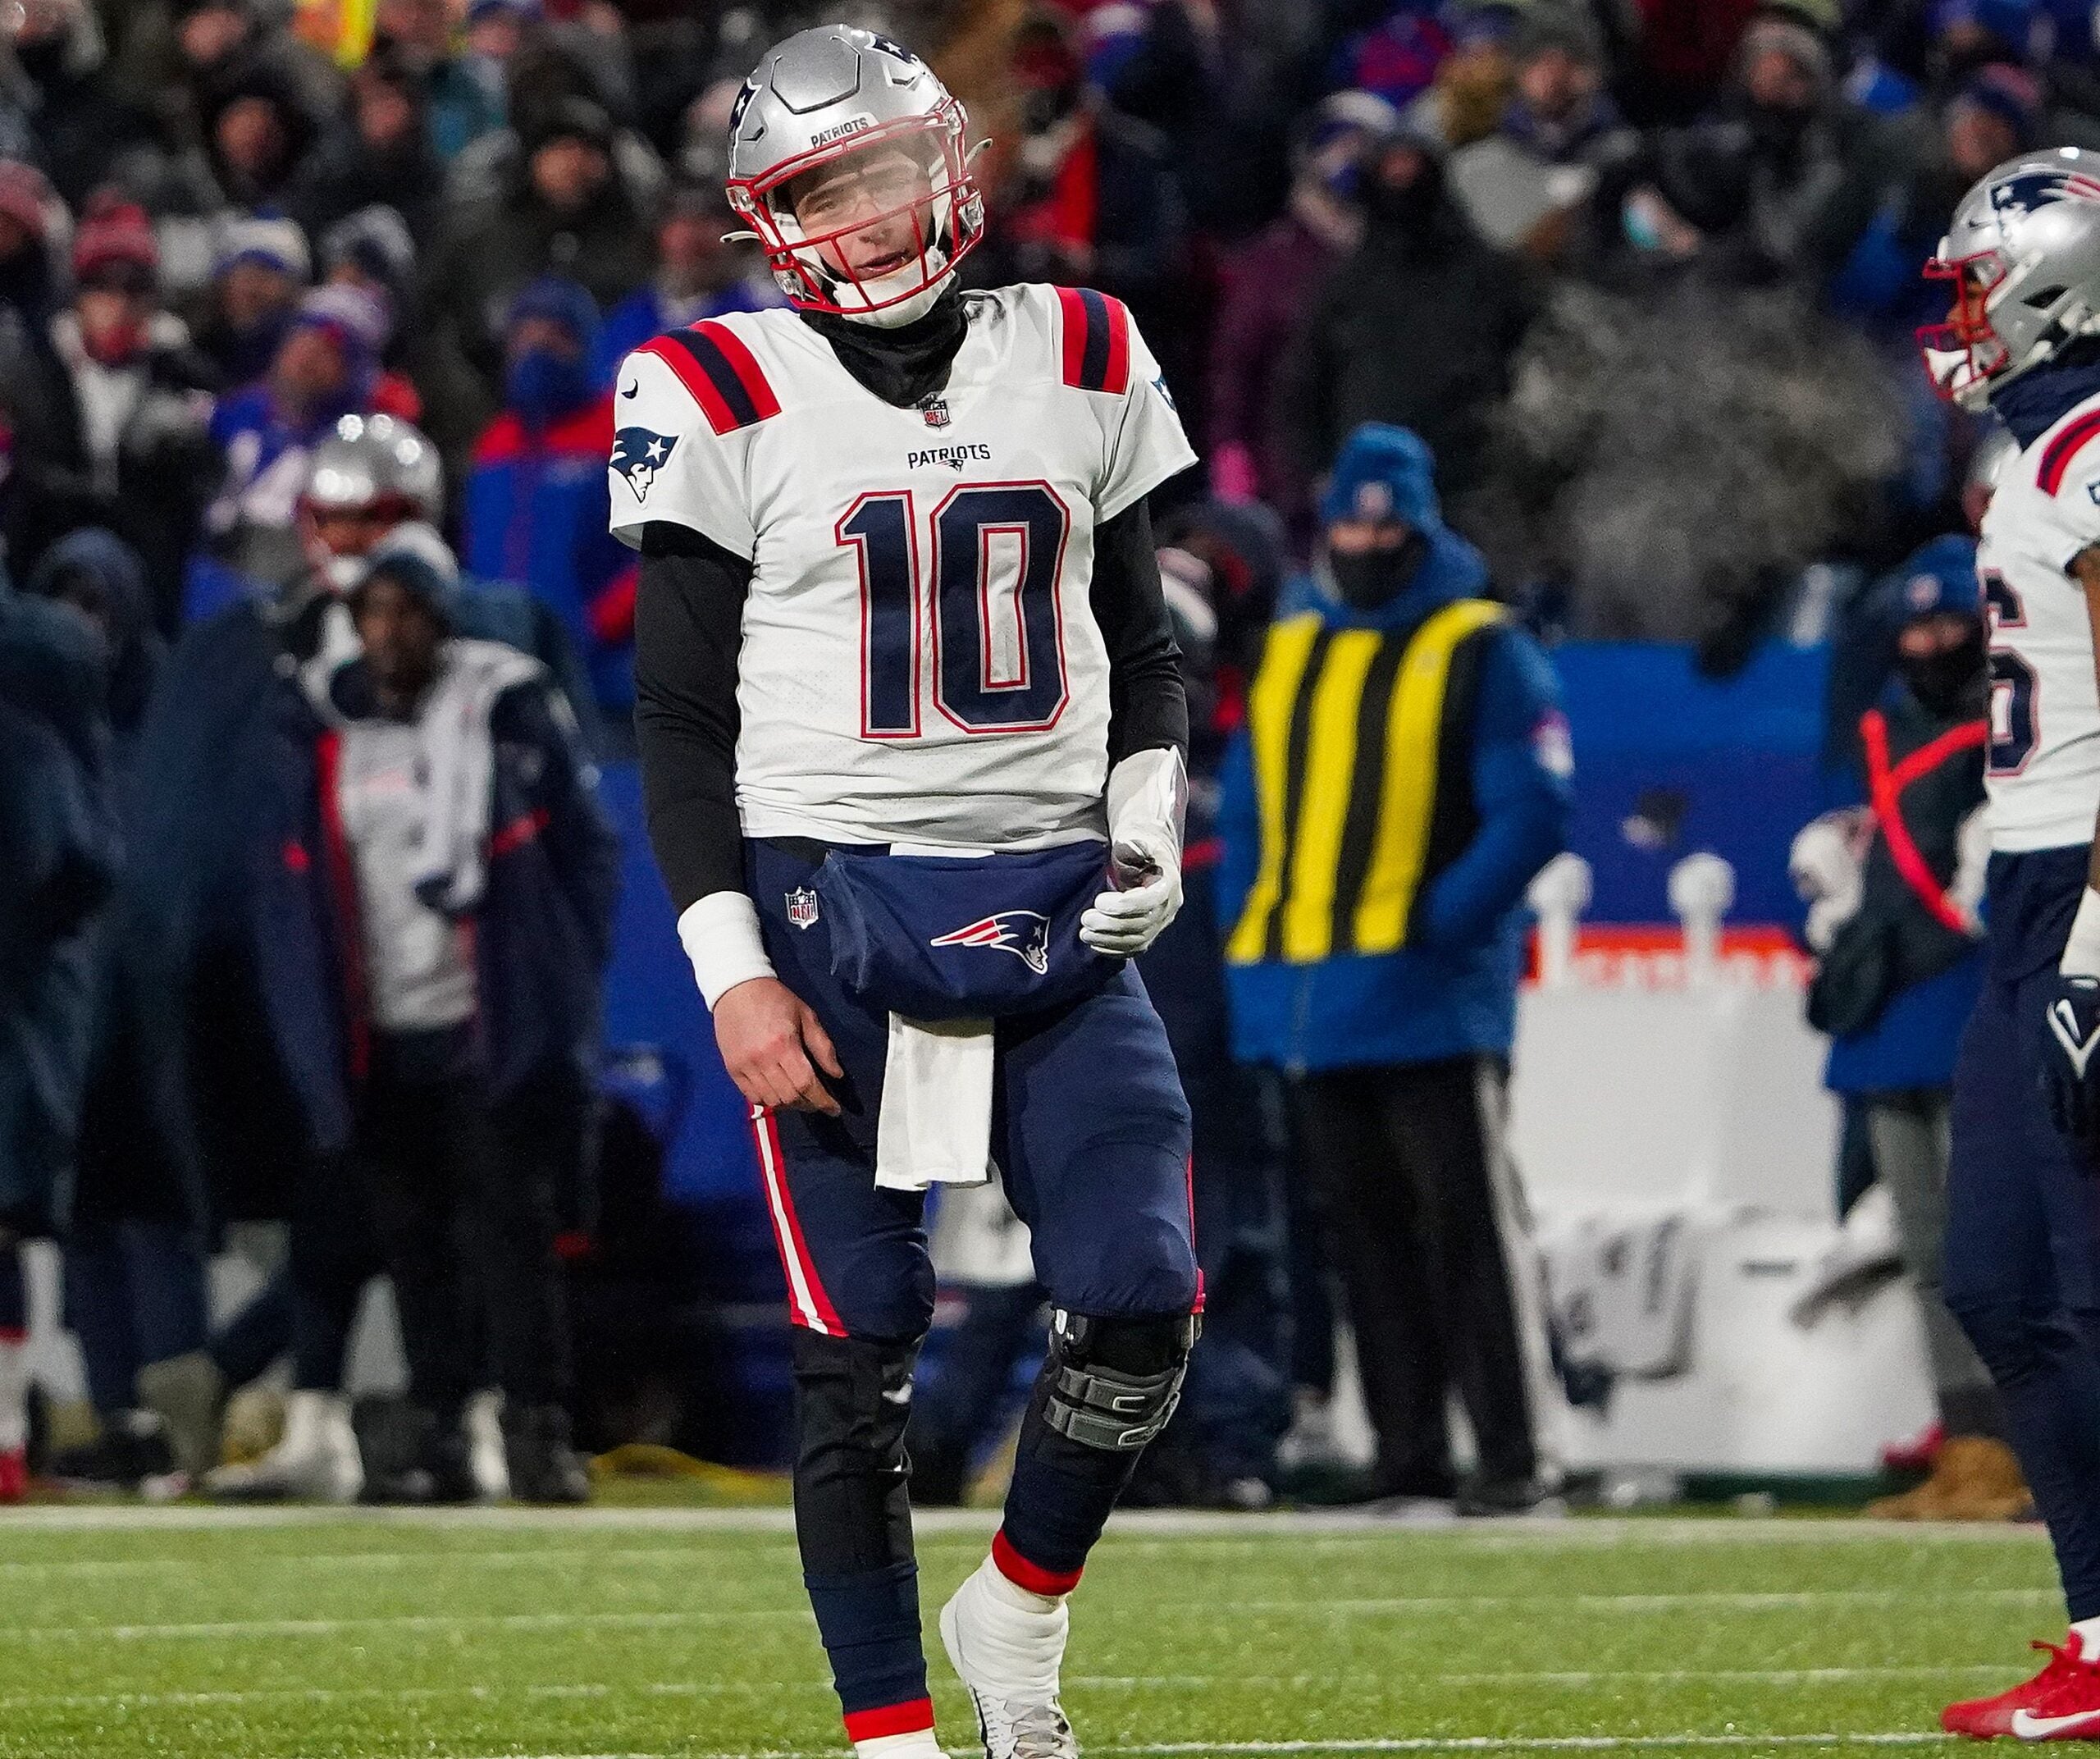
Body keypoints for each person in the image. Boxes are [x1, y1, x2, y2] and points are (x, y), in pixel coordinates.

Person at [621, 26, 1199, 1759]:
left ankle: (1016, 1608)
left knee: (1142, 1293)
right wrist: (729, 966)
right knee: (853, 1347)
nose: (865, 214)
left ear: (945, 161)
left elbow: (1145, 648)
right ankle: (890, 1738)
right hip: (834, 917)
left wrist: (1149, 815)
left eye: (879, 167)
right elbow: (671, 714)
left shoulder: (1084, 348)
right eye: (821, 189)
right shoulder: (715, 388)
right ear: (770, 221)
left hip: (1050, 906)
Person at [1217, 422, 1570, 1515]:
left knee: (1467, 1232)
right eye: (1352, 522)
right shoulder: (1289, 645)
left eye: (1386, 523)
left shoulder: (1483, 646)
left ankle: (1514, 1459)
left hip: (1427, 997)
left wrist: (1432, 925)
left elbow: (1535, 813)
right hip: (1315, 995)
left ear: (1419, 528)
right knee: (1361, 1245)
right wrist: (1257, 969)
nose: (1367, 541)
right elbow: (1249, 822)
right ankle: (1406, 1456)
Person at [266, 540, 619, 1503]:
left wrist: (559, 980)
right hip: (378, 1024)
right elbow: (298, 889)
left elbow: (589, 856)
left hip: (483, 1017)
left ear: (441, 616)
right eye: (374, 611)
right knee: (413, 1242)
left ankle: (537, 1430)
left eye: (408, 610)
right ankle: (439, 1429)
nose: (390, 630)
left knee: (511, 1233)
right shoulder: (325, 726)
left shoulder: (498, 707)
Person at [1924, 147, 2100, 1738]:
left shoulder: (2095, 446)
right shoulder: (2035, 452)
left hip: (2081, 891)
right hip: (2023, 892)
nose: (1960, 315)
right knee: (1993, 1275)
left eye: (1974, 281)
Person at [1791, 543, 2024, 1521]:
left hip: (1973, 996)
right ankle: (1966, 1442)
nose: (1930, 643)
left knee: (2002, 1244)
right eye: (1915, 628)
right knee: (1928, 1249)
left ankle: (2025, 1443)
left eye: (1947, 626)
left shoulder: (2015, 723)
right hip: (1894, 1009)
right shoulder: (1881, 728)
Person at [463, 276, 634, 715]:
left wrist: (596, 624)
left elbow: (654, 550)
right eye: (525, 336)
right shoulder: (495, 441)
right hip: (500, 671)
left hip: (606, 678)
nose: (537, 350)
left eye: (556, 336)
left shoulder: (622, 428)